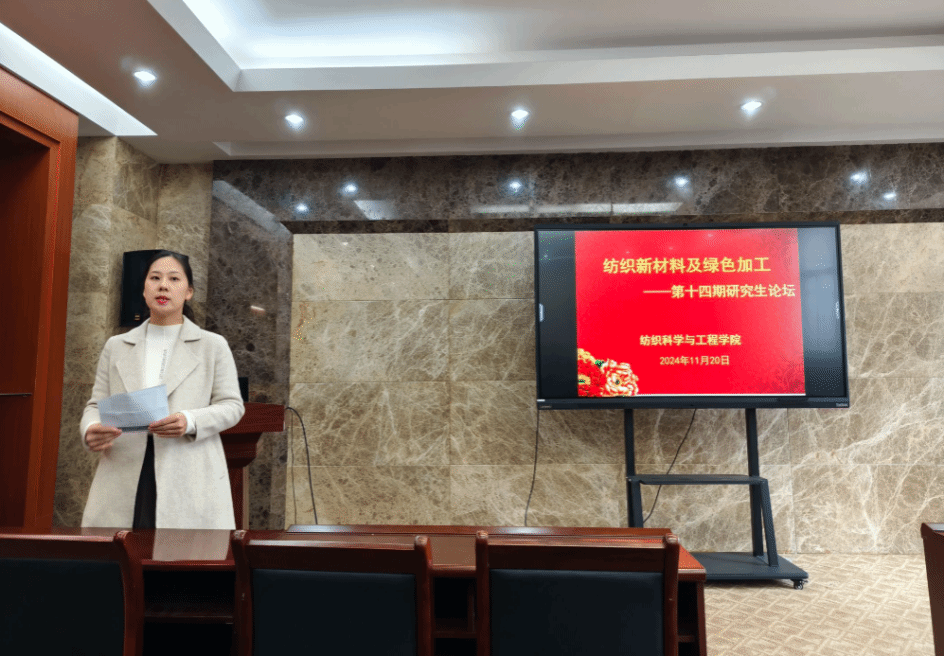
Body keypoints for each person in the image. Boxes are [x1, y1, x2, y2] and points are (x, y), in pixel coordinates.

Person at [80, 250, 245, 529]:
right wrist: (90, 428)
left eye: (174, 279)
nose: (163, 286)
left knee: (181, 554)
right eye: (155, 278)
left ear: (189, 292)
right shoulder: (116, 345)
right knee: (121, 551)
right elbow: (96, 404)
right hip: (125, 466)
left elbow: (232, 405)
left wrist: (189, 420)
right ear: (144, 290)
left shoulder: (212, 345)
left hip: (187, 468)